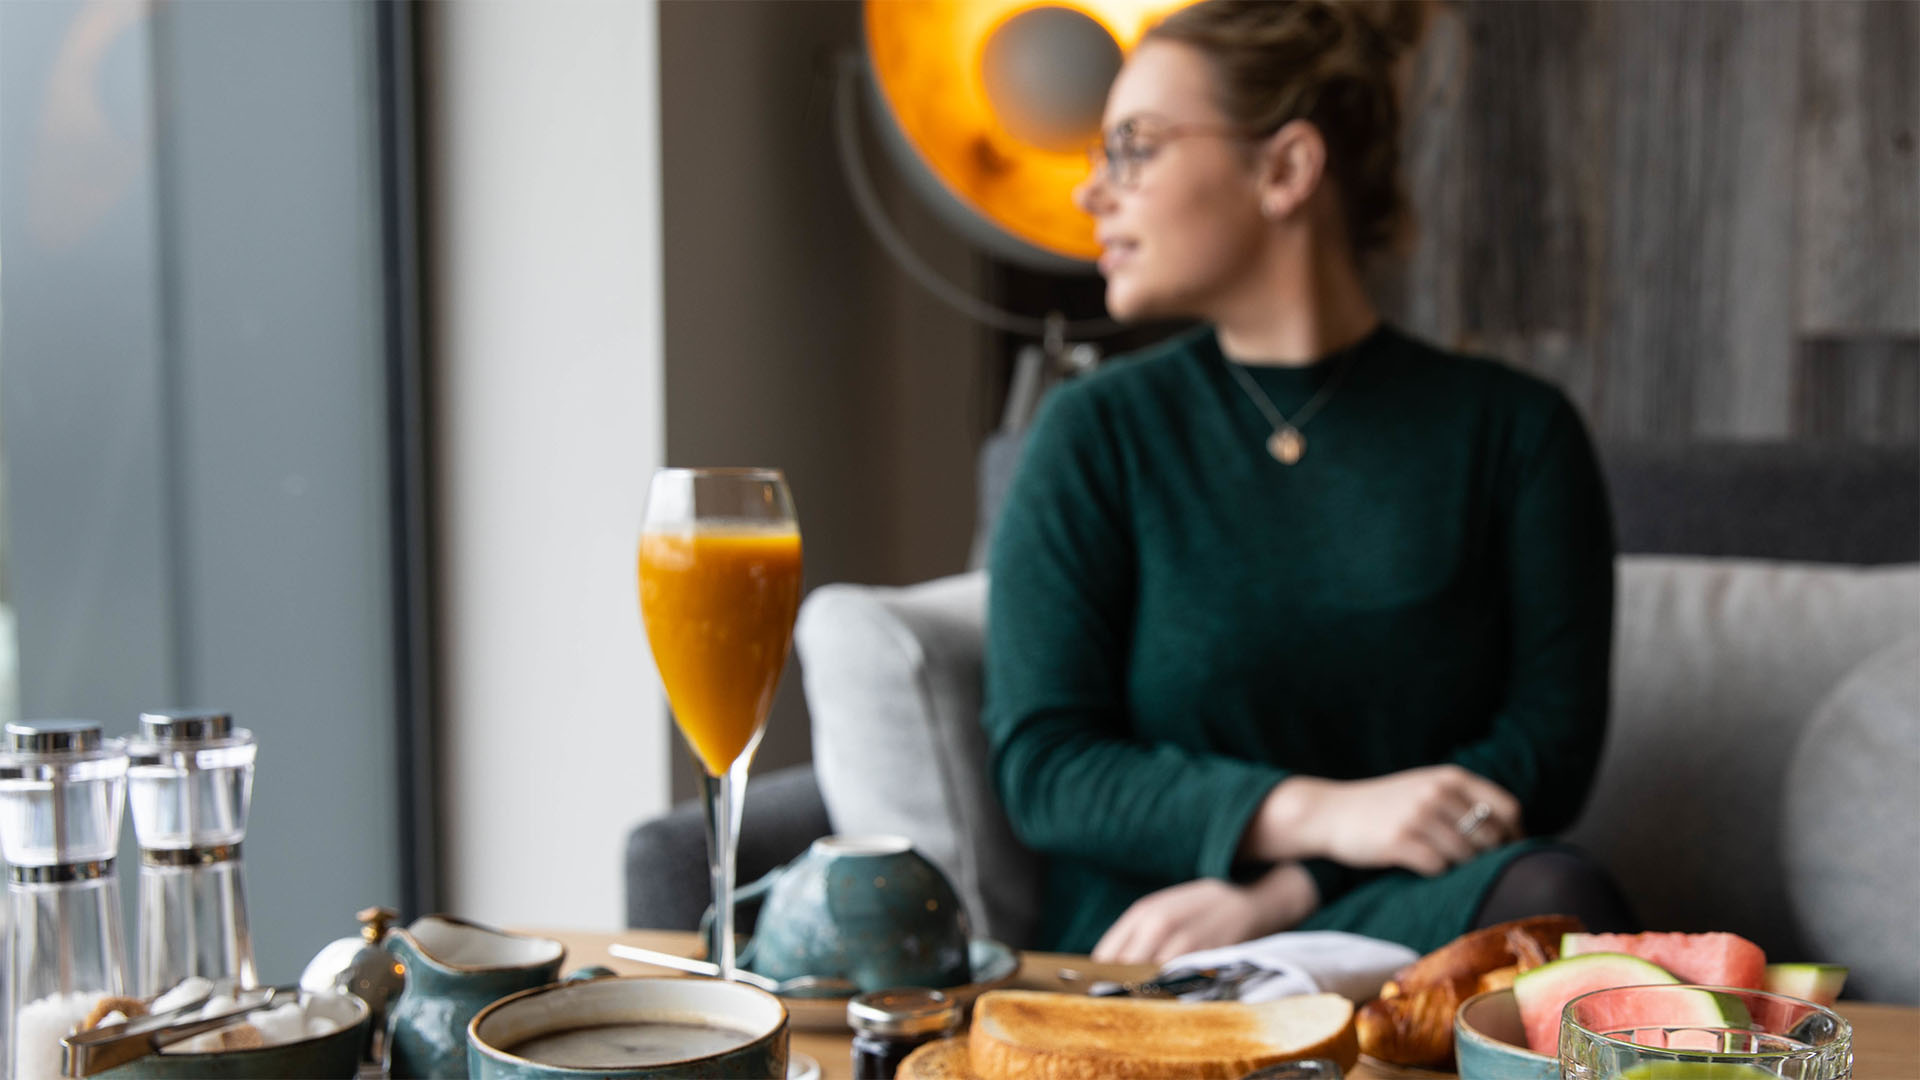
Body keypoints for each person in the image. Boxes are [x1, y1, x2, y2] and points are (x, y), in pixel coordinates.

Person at [982, 0, 1636, 965]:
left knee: (1556, 902)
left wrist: (1293, 892)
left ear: (1285, 168)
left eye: (1135, 147)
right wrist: (1315, 813)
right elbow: (1046, 767)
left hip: (1401, 911)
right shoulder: (1098, 432)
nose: (1092, 194)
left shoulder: (1515, 433)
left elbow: (1546, 750)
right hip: (1162, 932)